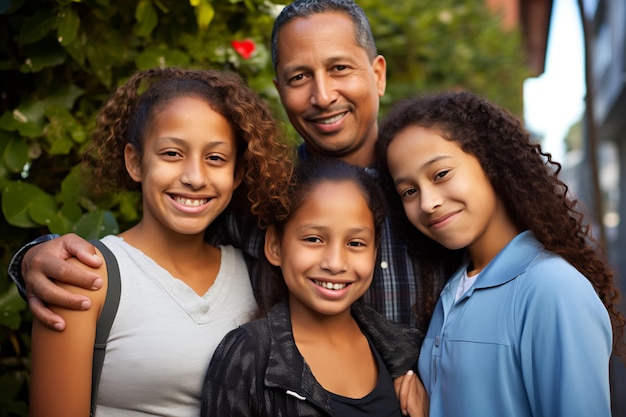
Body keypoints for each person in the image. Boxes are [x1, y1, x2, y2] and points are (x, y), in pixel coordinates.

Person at [9, 0, 442, 332]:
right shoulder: (257, 195)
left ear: (378, 74)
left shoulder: (435, 187)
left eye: (340, 68)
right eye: (299, 77)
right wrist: (37, 256)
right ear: (279, 89)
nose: (323, 95)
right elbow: (158, 251)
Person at [29, 67, 294, 416]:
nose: (194, 177)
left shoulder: (257, 275)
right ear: (135, 162)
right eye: (172, 153)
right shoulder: (86, 277)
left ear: (237, 175)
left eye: (215, 158)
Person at [376, 90, 626, 417]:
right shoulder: (450, 292)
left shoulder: (552, 288)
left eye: (440, 174)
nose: (427, 203)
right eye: (409, 191)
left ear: (491, 163)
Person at [200, 159, 428, 417]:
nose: (335, 263)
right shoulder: (248, 356)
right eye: (313, 239)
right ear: (275, 245)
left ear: (375, 253)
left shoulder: (409, 352)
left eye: (355, 243)